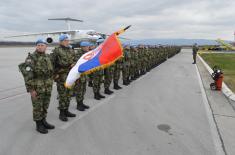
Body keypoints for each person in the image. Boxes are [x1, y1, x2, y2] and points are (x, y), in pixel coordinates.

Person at [19, 39, 54, 134]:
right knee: (37, 107)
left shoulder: (47, 57)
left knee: (45, 105)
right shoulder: (31, 58)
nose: (40, 47)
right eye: (38, 45)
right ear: (36, 46)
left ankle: (44, 121)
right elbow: (27, 76)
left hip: (47, 87)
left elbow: (50, 72)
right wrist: (31, 90)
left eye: (42, 45)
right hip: (37, 88)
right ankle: (38, 125)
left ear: (46, 46)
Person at [51, 34, 76, 122]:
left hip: (70, 75)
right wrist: (55, 75)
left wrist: (74, 63)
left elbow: (74, 59)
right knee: (62, 95)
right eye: (65, 40)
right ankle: (62, 113)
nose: (67, 42)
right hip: (61, 76)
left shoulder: (70, 50)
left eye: (67, 40)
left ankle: (66, 110)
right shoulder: (56, 51)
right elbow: (52, 64)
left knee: (69, 94)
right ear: (61, 41)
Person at [74, 41, 90, 111]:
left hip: (85, 75)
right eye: (87, 47)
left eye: (88, 46)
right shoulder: (79, 54)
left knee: (83, 90)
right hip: (79, 75)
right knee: (79, 90)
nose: (88, 48)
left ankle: (81, 103)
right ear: (83, 47)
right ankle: (78, 104)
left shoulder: (86, 53)